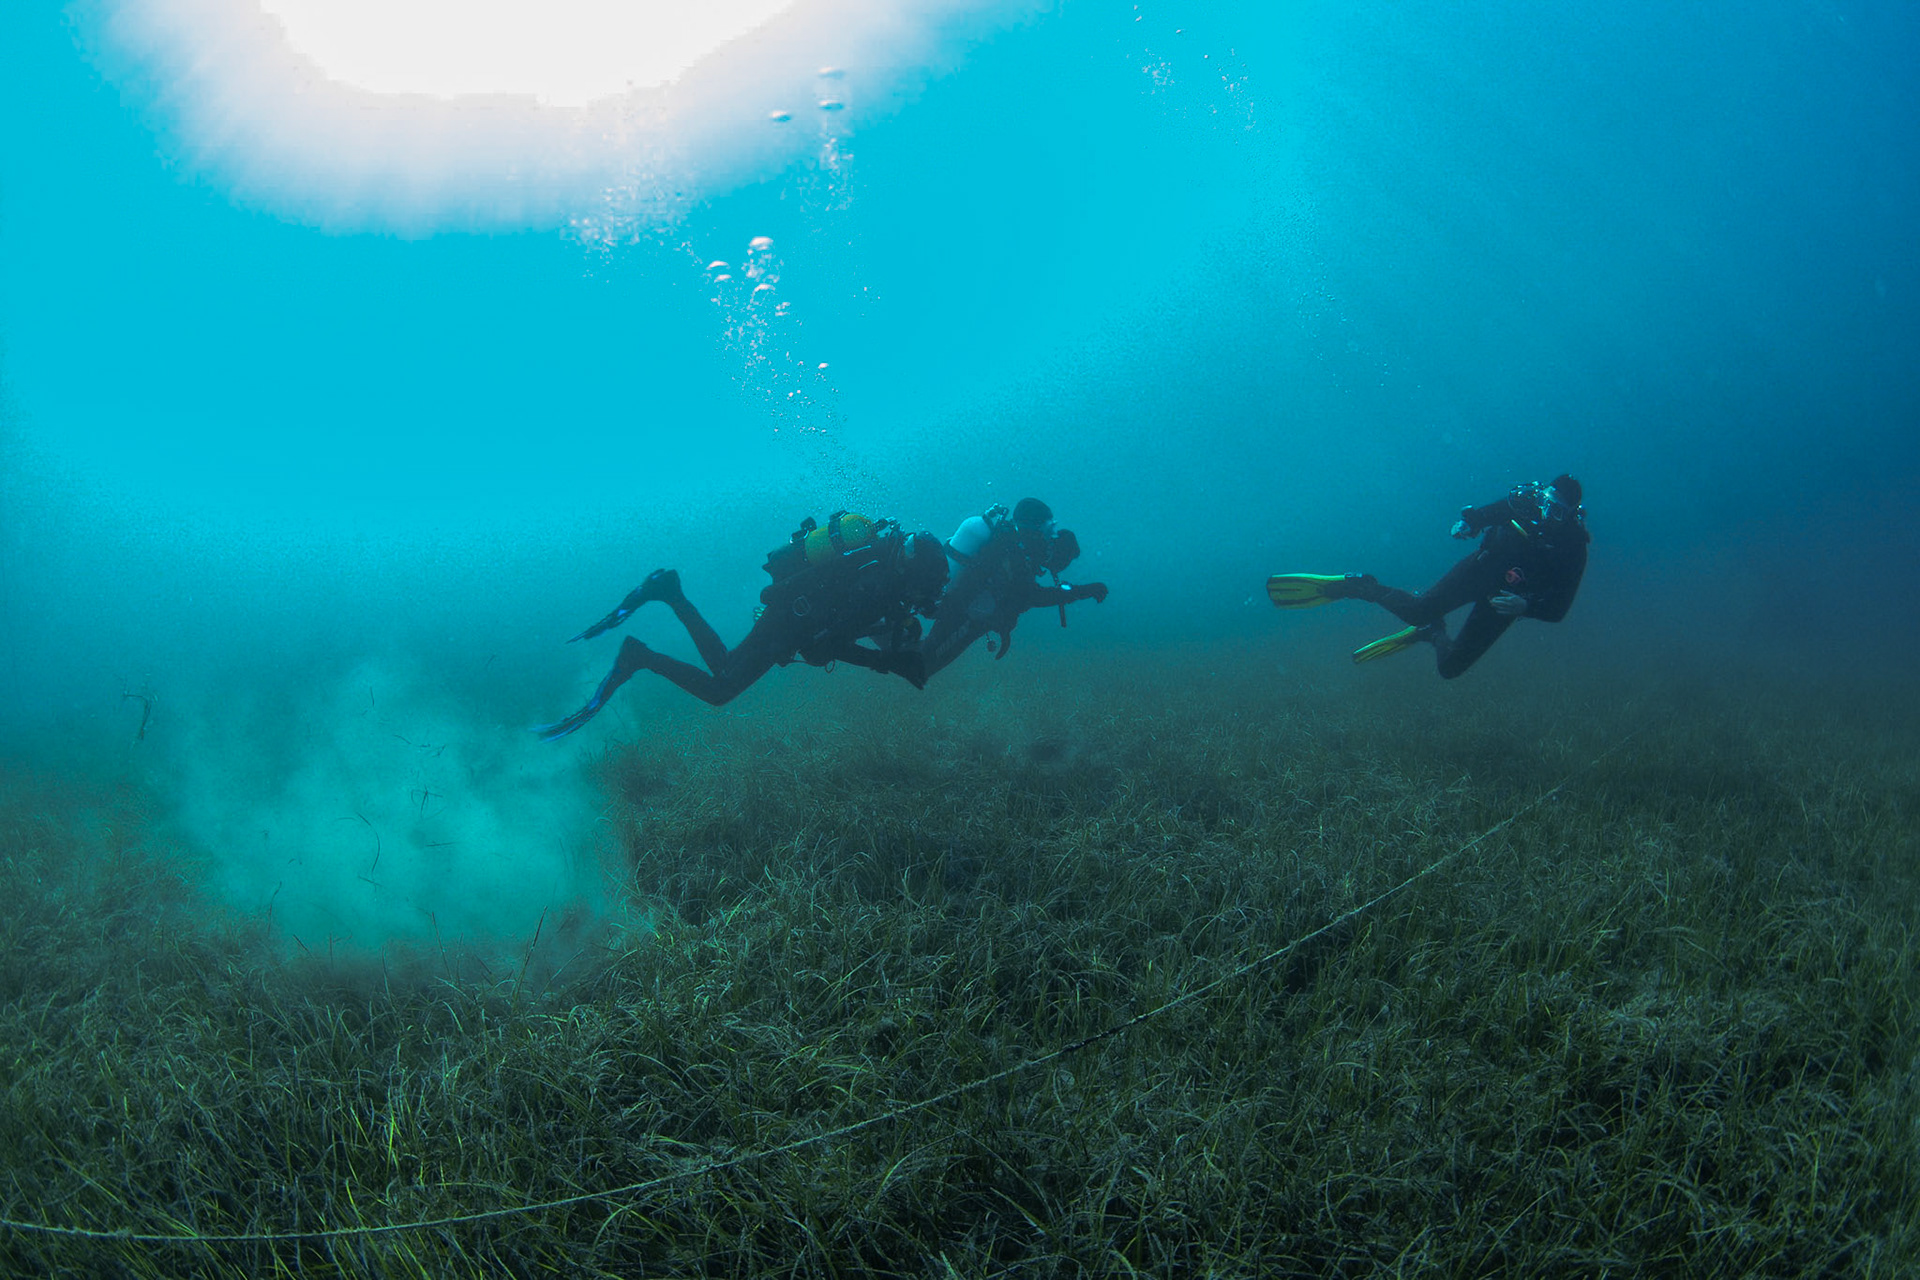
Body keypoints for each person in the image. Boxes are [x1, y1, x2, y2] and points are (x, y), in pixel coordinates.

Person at [537, 512, 948, 740]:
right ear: (915, 576)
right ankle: (640, 654)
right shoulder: (877, 586)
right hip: (790, 620)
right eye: (927, 590)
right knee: (721, 689)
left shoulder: (879, 569)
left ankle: (669, 593)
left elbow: (840, 635)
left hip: (792, 616)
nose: (925, 601)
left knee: (724, 667)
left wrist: (890, 653)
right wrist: (886, 664)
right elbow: (829, 645)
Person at [1266, 474, 1589, 678]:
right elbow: (1489, 513)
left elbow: (1559, 609)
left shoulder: (1573, 548)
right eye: (1547, 504)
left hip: (1505, 602)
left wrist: (1525, 607)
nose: (1547, 514)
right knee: (1418, 609)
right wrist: (1469, 524)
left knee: (1450, 669)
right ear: (1541, 496)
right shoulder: (1527, 503)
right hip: (1480, 569)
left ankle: (1431, 633)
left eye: (1557, 511)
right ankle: (1358, 587)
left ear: (1572, 514)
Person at [920, 497, 1109, 678]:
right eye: (1048, 527)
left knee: (923, 663)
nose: (1051, 536)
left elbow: (1018, 596)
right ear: (1034, 528)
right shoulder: (1012, 551)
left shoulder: (1015, 550)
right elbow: (1033, 596)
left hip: (971, 617)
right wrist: (1084, 591)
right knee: (922, 663)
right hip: (963, 614)